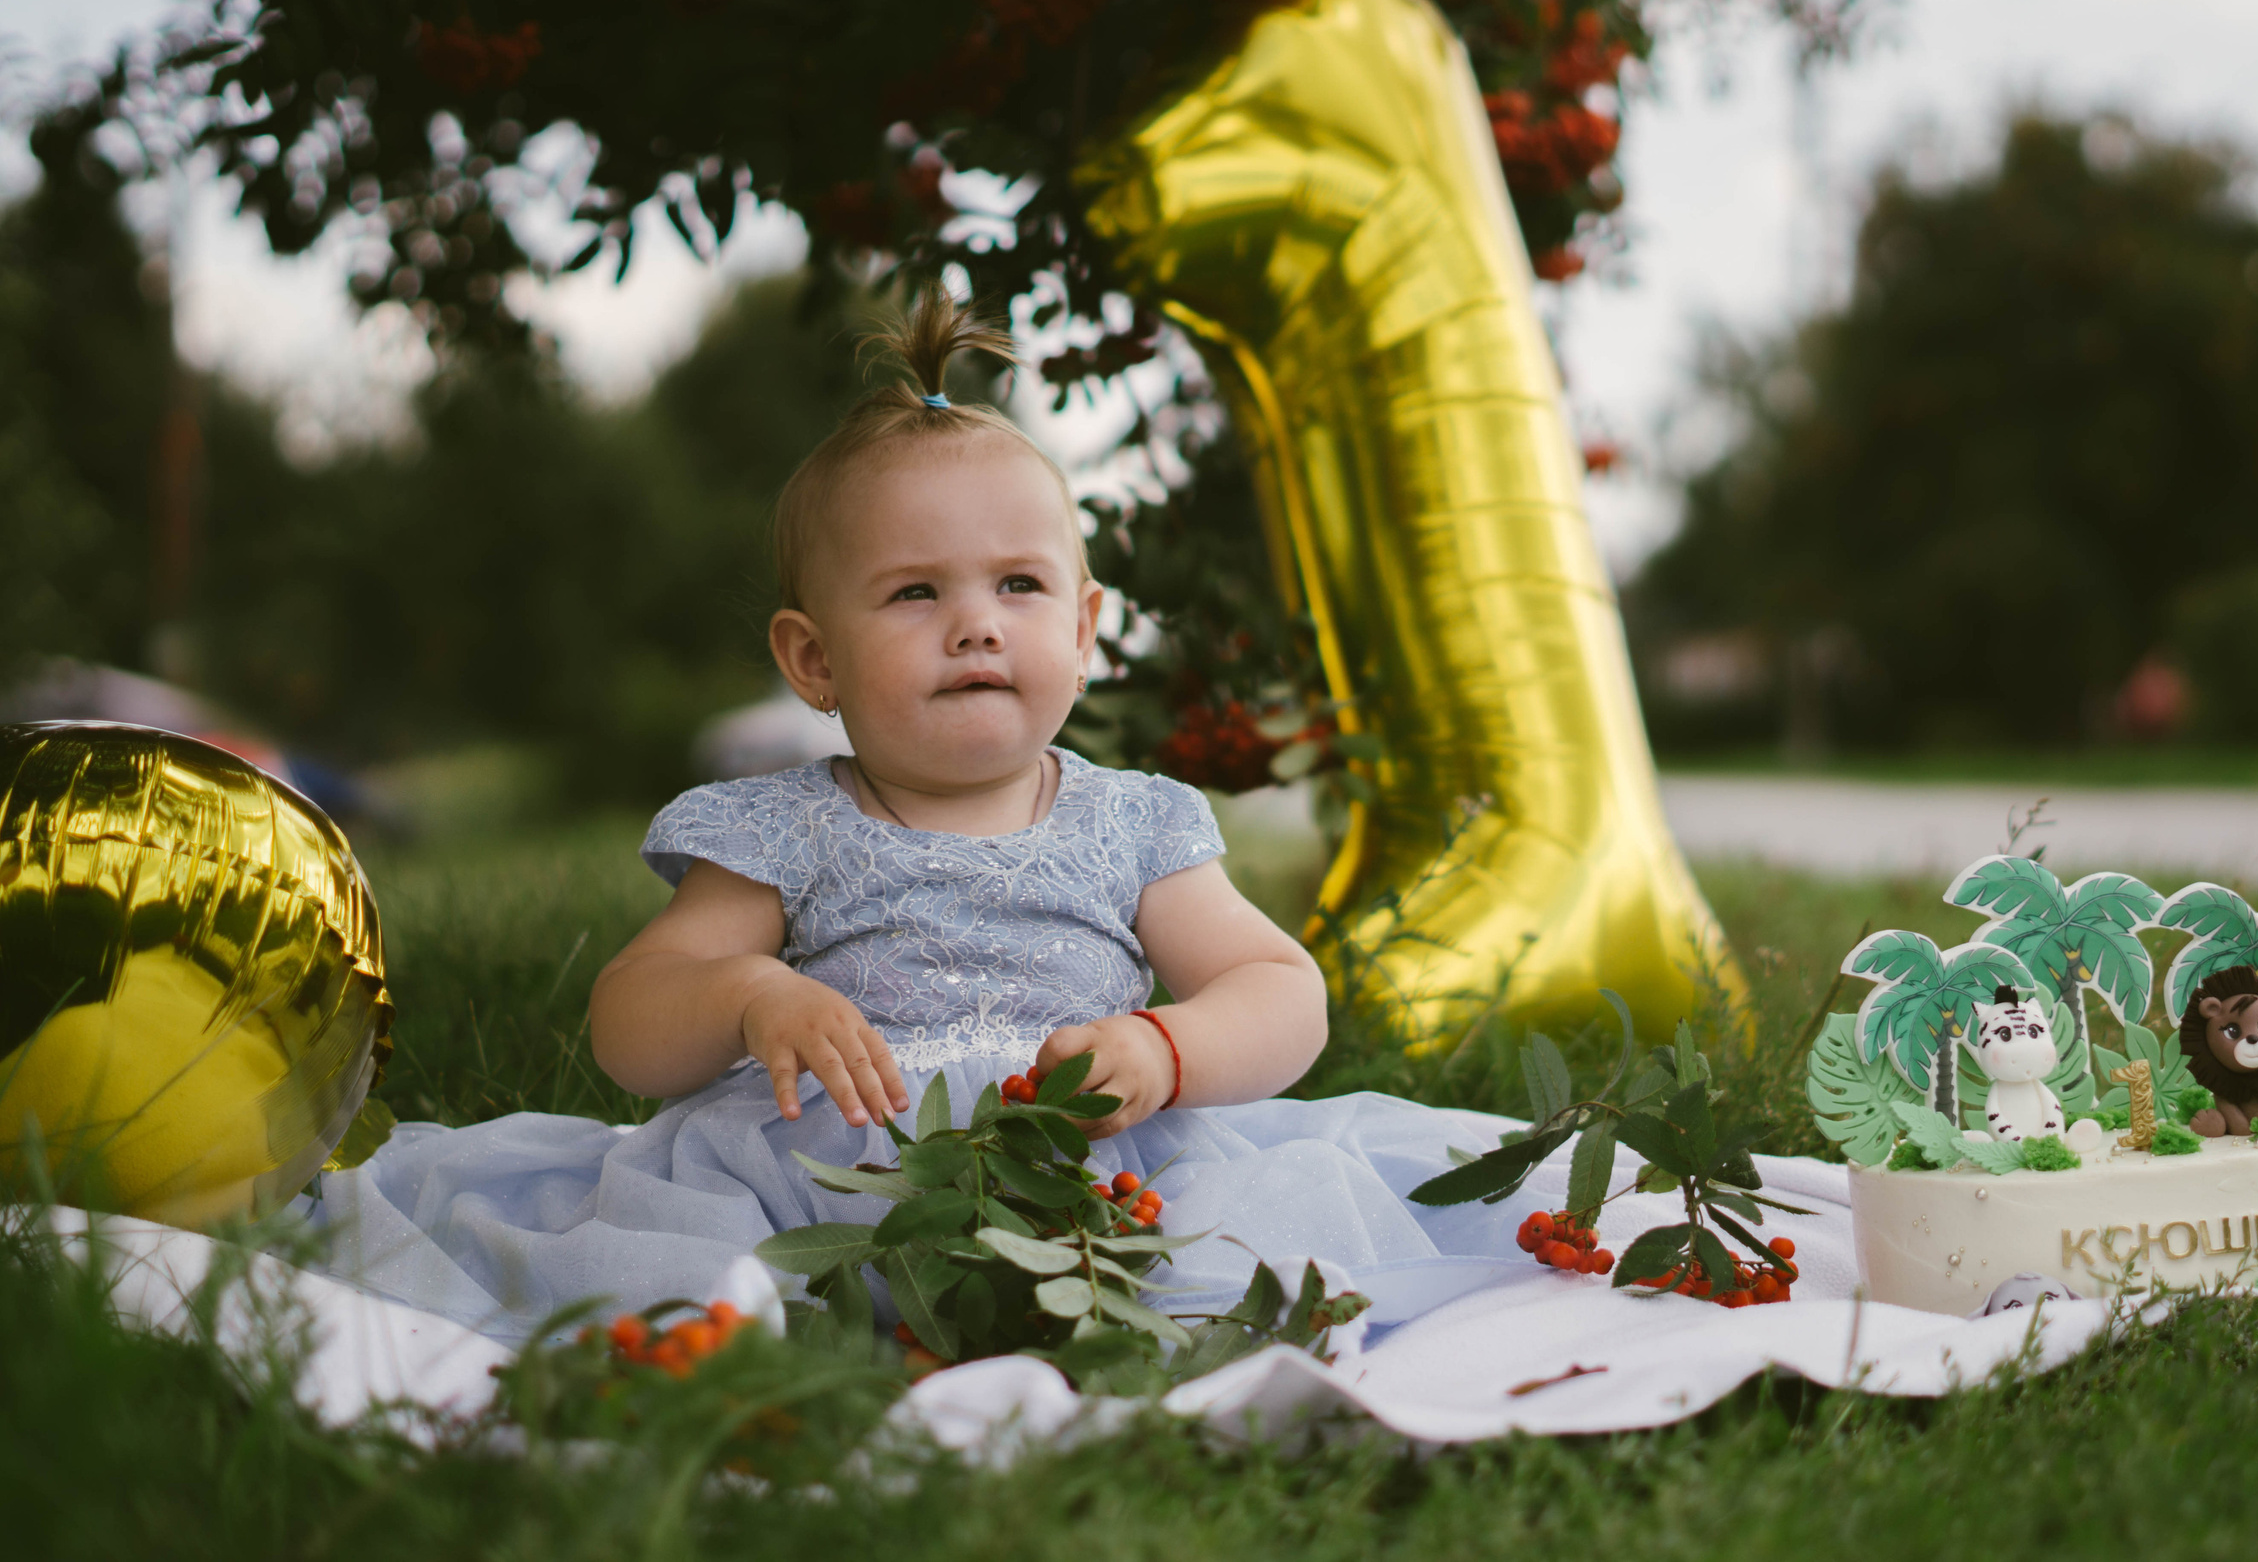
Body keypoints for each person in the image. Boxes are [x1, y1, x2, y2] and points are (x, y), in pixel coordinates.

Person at [306, 291, 1545, 1345]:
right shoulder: (782, 826)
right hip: (825, 1180)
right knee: (702, 1295)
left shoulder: (1136, 821)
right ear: (813, 660)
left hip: (1097, 1175)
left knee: (1235, 1284)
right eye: (913, 592)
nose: (976, 623)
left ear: (1084, 628)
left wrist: (1168, 1052)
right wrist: (749, 996)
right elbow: (632, 1022)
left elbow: (1281, 990)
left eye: (1019, 584)